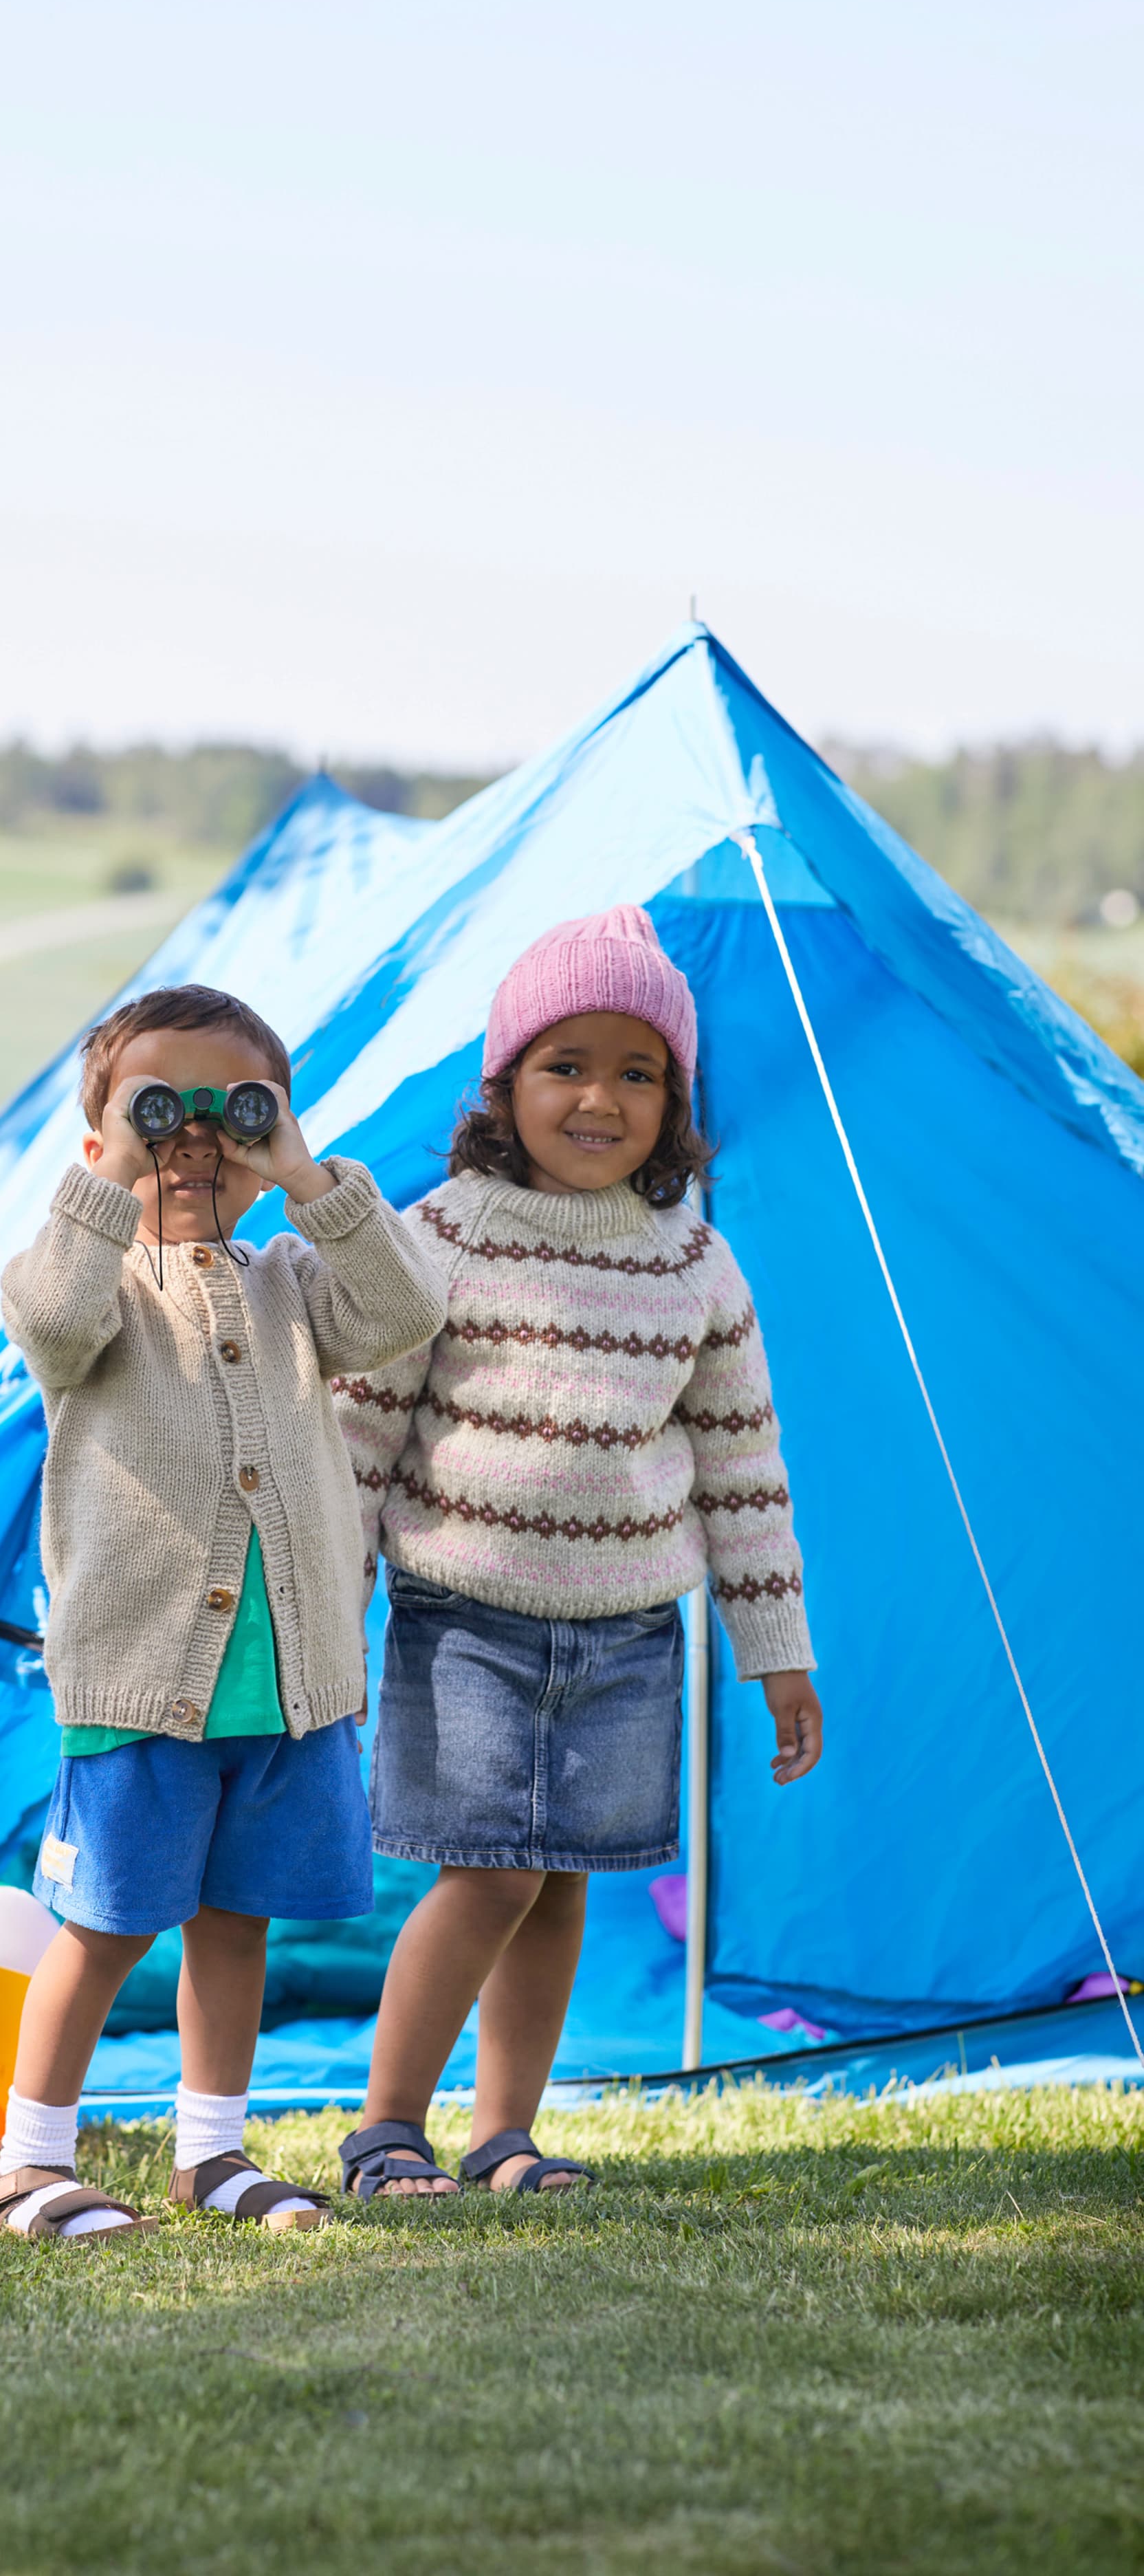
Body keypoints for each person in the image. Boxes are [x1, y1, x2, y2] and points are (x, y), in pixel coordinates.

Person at [333, 906, 824, 2203]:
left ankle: (504, 2135)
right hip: (467, 1620)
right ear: (505, 1086)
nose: (601, 1098)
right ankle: (386, 2131)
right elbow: (361, 1438)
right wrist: (334, 1609)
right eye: (566, 1066)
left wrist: (777, 1654)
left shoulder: (696, 1265)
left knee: (561, 1886)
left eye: (637, 1072)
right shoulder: (443, 1235)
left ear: (676, 1102)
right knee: (490, 1873)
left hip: (629, 1636)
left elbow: (744, 1473)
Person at [0, 983, 446, 2242]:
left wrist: (300, 1172)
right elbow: (49, 1325)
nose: (192, 1140)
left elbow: (406, 1311)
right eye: (157, 1111)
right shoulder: (93, 1283)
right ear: (102, 1141)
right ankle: (28, 2161)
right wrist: (110, 1178)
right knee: (106, 1926)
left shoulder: (290, 1280)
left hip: (285, 1683)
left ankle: (212, 2155)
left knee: (237, 1924)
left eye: (226, 1113)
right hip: (140, 1677)